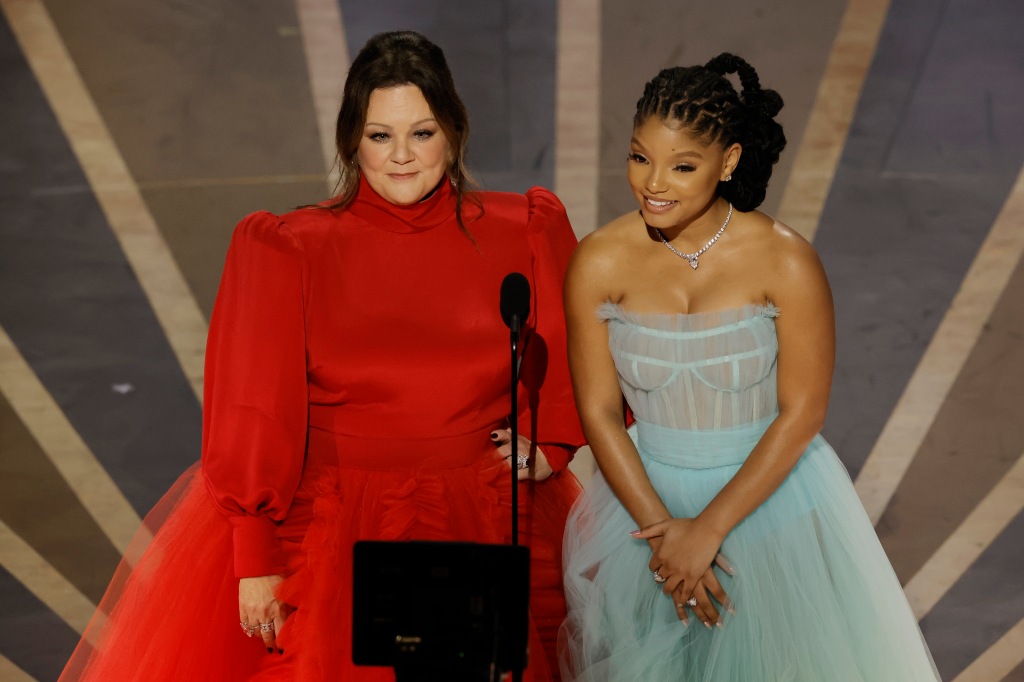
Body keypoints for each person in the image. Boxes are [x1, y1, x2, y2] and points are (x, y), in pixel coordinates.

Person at [60, 30, 584, 682]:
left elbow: (573, 350)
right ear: (350, 141)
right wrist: (255, 554)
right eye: (378, 135)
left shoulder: (523, 230)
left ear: (454, 131)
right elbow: (250, 407)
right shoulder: (290, 249)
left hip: (486, 518)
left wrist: (552, 445)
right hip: (337, 537)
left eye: (421, 133)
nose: (400, 157)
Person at [558, 54, 939, 681]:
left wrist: (707, 531)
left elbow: (803, 412)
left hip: (771, 512)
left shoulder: (786, 261)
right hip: (641, 514)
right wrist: (664, 536)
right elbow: (598, 412)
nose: (654, 183)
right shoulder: (597, 261)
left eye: (683, 166)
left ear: (728, 162)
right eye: (639, 157)